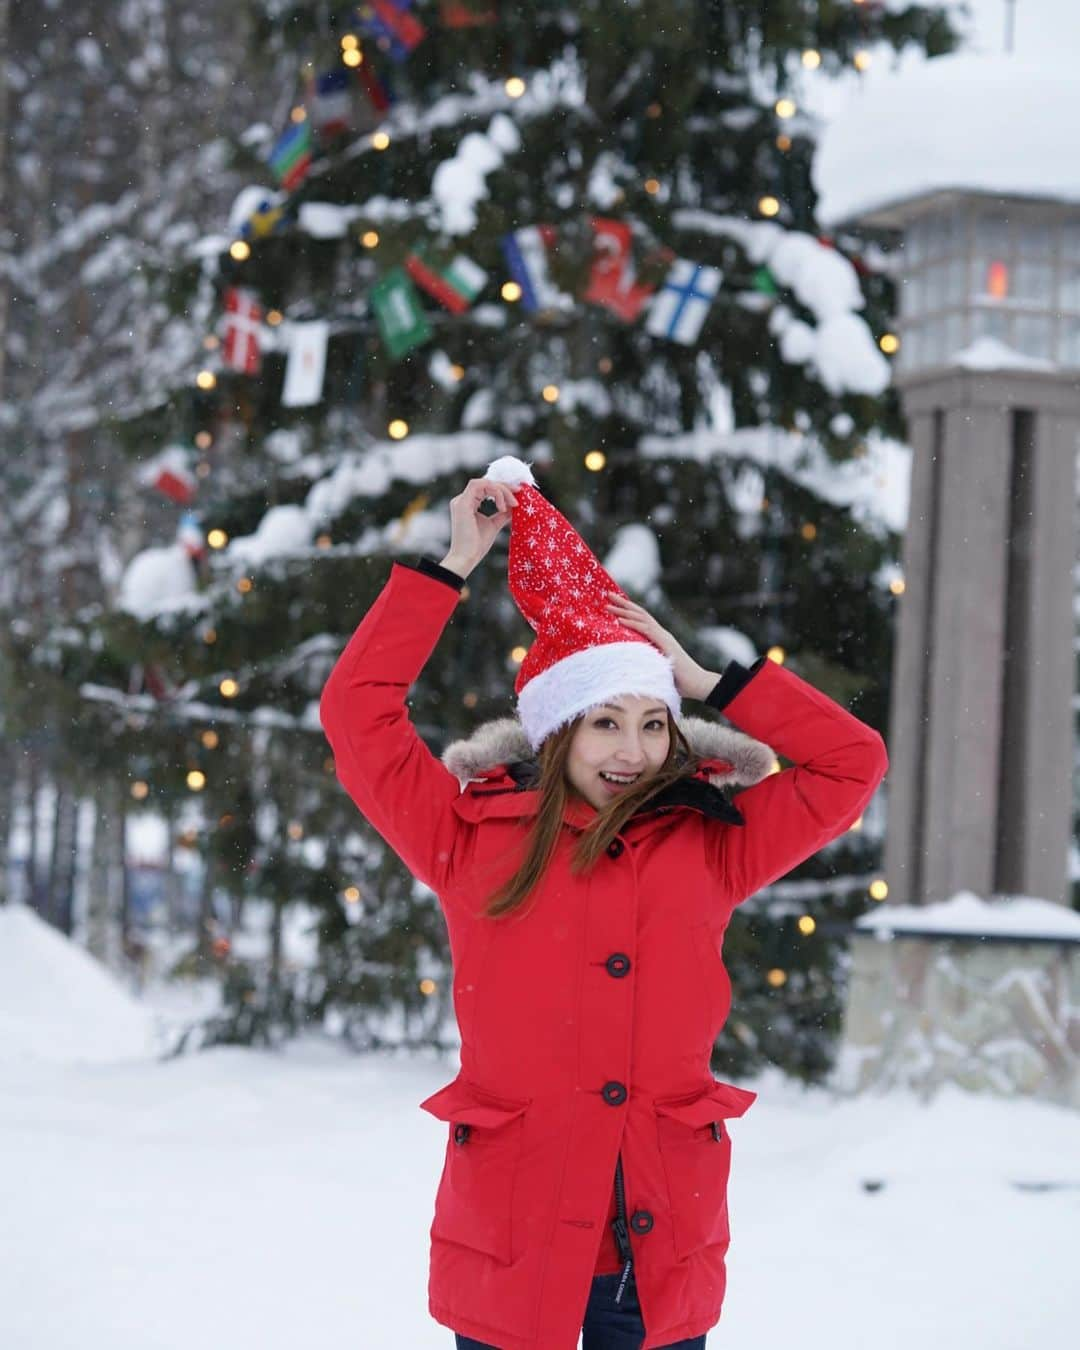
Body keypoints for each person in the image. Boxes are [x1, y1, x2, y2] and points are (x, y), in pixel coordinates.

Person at [319, 457, 889, 1350]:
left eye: (652, 721)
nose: (632, 749)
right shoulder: (470, 838)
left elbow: (854, 764)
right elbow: (359, 715)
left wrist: (707, 683)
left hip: (656, 1251)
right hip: (516, 1246)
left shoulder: (715, 839)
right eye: (605, 721)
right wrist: (450, 568)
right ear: (558, 729)